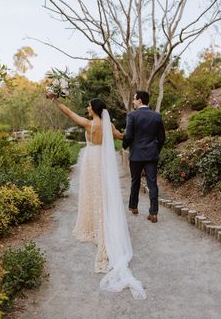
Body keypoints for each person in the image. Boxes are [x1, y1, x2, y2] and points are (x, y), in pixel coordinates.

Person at [46, 93, 146, 300]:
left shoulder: (88, 124)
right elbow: (121, 137)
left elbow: (69, 113)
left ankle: (93, 226)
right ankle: (103, 223)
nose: (87, 108)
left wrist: (55, 100)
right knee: (103, 193)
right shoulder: (108, 126)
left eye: (89, 106)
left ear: (94, 109)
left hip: (91, 160)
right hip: (103, 161)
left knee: (91, 192)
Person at [123, 91, 165, 223]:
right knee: (152, 183)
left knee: (135, 181)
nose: (133, 102)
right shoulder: (157, 116)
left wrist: (124, 145)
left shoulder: (132, 115)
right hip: (151, 155)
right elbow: (162, 138)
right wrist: (155, 150)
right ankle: (153, 213)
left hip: (136, 155)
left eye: (134, 100)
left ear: (140, 100)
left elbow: (129, 136)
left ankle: (133, 206)